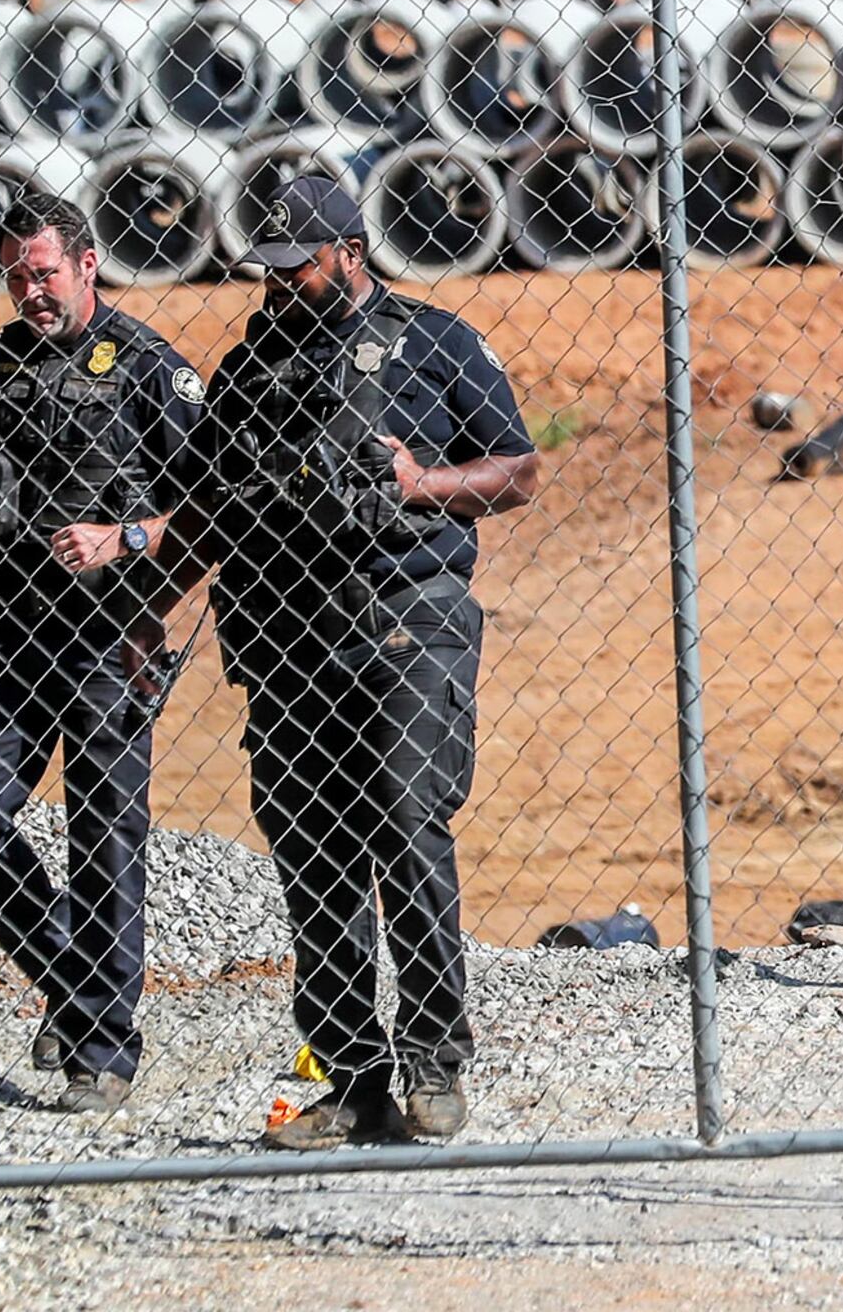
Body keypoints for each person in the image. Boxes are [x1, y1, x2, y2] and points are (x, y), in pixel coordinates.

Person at [175, 175, 543, 1150]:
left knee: (408, 828)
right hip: (285, 636)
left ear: (350, 253)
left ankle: (433, 1061)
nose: (283, 285)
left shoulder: (435, 341)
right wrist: (144, 615)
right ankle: (348, 1079)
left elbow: (519, 470)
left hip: (403, 621)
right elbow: (206, 507)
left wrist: (423, 483)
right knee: (312, 853)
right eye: (272, 272)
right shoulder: (252, 367)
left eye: (300, 269)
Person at [0, 195, 201, 1113]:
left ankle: (102, 1048)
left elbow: (214, 510)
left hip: (112, 638)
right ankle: (73, 978)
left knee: (104, 835)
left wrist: (125, 539)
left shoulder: (148, 370)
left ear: (88, 264)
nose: (30, 291)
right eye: (15, 276)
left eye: (45, 272)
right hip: (6, 635)